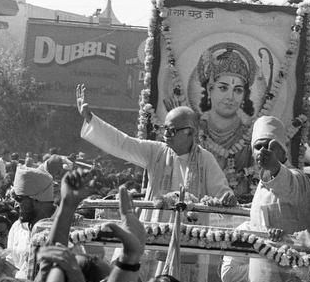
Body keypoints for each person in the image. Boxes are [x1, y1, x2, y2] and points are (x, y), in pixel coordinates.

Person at [77, 84, 235, 223]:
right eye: (165, 129)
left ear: (190, 132)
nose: (166, 134)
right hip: (154, 232)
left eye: (172, 130)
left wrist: (227, 198)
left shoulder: (205, 159)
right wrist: (90, 118)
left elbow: (221, 194)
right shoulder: (156, 152)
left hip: (190, 238)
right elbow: (123, 143)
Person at [222, 115, 310, 282]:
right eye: (258, 147)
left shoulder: (298, 178)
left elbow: (286, 185)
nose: (263, 151)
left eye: (270, 146)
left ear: (283, 151)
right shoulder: (263, 182)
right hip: (263, 280)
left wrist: (275, 166)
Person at [197, 47, 258, 194]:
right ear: (210, 89)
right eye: (223, 88)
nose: (230, 97)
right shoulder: (195, 130)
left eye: (237, 90)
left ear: (244, 95)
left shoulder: (251, 134)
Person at [7, 167, 55, 279]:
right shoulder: (17, 227)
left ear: (37, 199)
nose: (15, 205)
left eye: (19, 199)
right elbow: (11, 260)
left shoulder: (66, 226)